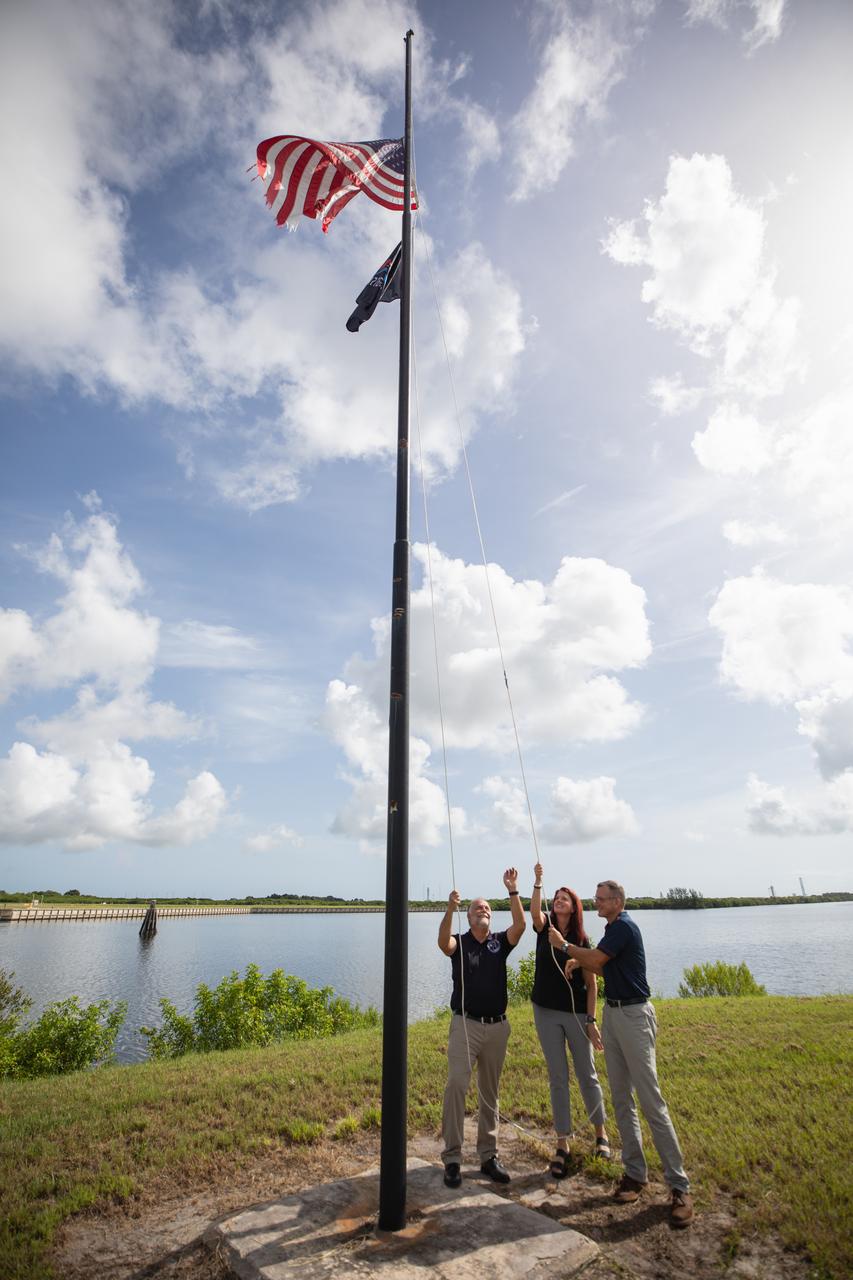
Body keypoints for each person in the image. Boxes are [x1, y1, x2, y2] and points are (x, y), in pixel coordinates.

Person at [562, 880, 693, 1227]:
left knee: (651, 1102)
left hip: (635, 1016)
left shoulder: (623, 927)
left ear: (618, 901)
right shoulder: (611, 929)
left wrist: (567, 948)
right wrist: (584, 962)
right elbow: (607, 967)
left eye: (602, 899)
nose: (597, 903)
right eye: (596, 899)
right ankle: (635, 1175)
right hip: (614, 1014)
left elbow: (599, 958)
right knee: (622, 1098)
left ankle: (680, 1187)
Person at [438, 867, 526, 1189]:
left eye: (488, 908)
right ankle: (452, 1159)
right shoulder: (459, 943)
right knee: (457, 1085)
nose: (484, 911)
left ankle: (488, 1156)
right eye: (478, 908)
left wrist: (513, 890)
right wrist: (450, 908)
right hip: (465, 1025)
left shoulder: (499, 943)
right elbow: (441, 942)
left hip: (498, 1028)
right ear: (469, 916)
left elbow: (521, 926)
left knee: (490, 1092)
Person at [529, 861, 610, 1177]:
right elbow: (534, 913)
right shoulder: (545, 929)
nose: (558, 900)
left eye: (565, 897)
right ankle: (563, 1143)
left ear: (574, 907)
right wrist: (538, 882)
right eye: (556, 896)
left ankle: (600, 1135)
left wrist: (591, 1021)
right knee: (558, 1077)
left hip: (577, 1015)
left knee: (587, 1074)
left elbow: (592, 985)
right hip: (545, 1012)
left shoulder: (583, 942)